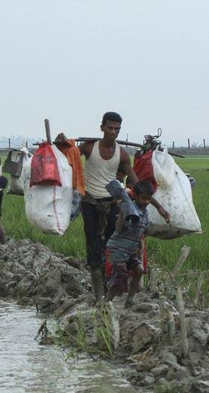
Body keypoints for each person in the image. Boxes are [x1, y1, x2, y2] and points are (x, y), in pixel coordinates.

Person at [79, 112, 170, 301]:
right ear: (102, 127)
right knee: (93, 248)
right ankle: (99, 297)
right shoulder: (89, 147)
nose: (113, 132)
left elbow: (136, 185)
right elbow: (68, 157)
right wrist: (63, 143)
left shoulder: (121, 154)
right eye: (110, 128)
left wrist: (158, 206)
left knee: (111, 247)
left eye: (117, 129)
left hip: (112, 204)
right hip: (89, 203)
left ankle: (111, 289)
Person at [104, 180, 158, 307]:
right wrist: (123, 214)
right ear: (136, 196)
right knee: (120, 278)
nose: (146, 202)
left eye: (149, 199)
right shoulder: (129, 209)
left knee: (139, 271)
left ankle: (129, 299)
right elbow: (118, 228)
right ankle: (107, 302)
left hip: (131, 250)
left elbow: (142, 232)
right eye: (143, 198)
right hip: (118, 249)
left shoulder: (145, 213)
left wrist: (139, 248)